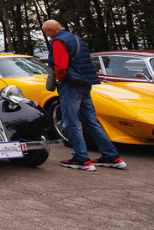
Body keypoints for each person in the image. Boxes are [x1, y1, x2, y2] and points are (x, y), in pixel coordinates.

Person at [43, 20, 126, 171]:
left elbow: (60, 65)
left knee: (71, 122)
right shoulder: (76, 38)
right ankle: (111, 156)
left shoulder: (58, 42)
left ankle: (81, 158)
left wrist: (59, 80)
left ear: (51, 30)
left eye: (47, 33)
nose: (48, 37)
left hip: (70, 84)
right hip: (85, 82)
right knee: (91, 121)